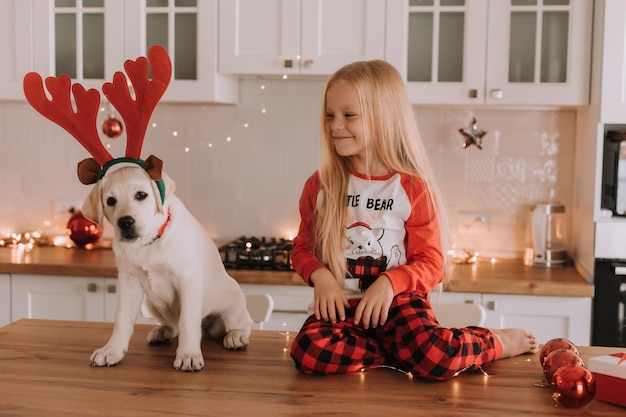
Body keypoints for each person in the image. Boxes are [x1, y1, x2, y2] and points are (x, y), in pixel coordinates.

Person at [289, 60, 539, 381]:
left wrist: (389, 283)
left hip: (400, 303)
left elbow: (432, 262)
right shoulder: (320, 185)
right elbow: (301, 248)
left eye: (348, 115)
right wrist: (321, 277)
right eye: (329, 115)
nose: (335, 125)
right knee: (308, 351)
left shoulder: (412, 188)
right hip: (344, 305)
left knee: (435, 356)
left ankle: (497, 341)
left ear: (384, 117)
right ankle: (406, 355)